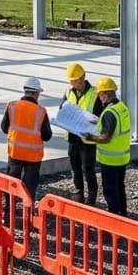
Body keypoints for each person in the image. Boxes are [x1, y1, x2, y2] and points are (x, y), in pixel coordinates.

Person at [83, 77, 132, 216]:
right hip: (122, 157)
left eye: (100, 94)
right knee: (119, 187)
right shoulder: (121, 107)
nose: (99, 97)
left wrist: (90, 137)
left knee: (110, 190)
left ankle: (114, 216)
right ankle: (123, 214)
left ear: (106, 94)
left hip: (110, 159)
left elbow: (105, 137)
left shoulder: (109, 113)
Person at [1, 76, 53, 202]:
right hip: (33, 156)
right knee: (30, 186)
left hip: (15, 153)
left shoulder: (12, 106)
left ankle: (9, 208)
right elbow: (47, 135)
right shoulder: (41, 111)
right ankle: (28, 213)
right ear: (36, 93)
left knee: (12, 183)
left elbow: (4, 127)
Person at [60, 63, 99, 204]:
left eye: (79, 81)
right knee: (75, 167)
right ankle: (79, 192)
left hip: (87, 138)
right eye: (73, 81)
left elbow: (99, 115)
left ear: (84, 77)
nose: (77, 84)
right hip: (73, 136)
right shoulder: (68, 91)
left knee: (88, 168)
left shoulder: (95, 93)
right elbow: (62, 107)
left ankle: (92, 195)